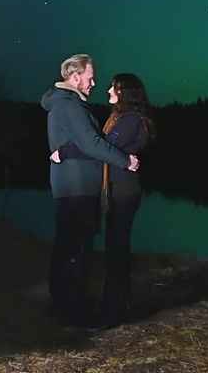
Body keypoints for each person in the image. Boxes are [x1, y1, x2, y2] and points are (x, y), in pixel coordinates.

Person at [40, 54, 139, 327]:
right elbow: (92, 143)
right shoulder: (70, 106)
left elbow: (82, 144)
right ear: (74, 77)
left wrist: (68, 151)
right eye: (90, 77)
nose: (94, 82)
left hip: (72, 186)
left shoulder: (64, 104)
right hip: (77, 187)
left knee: (68, 246)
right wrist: (125, 160)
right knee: (76, 249)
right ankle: (73, 312)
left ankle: (64, 306)